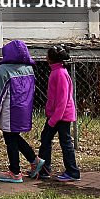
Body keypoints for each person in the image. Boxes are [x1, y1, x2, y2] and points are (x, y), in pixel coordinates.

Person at [0, 39, 43, 183]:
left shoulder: (2, 71)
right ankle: (34, 160)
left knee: (10, 139)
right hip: (24, 109)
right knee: (14, 137)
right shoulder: (29, 69)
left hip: (10, 110)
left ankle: (15, 172)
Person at [36, 44, 80, 182]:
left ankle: (72, 171)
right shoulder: (57, 71)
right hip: (56, 115)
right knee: (46, 139)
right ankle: (44, 169)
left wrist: (54, 119)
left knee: (64, 142)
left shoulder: (60, 73)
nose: (45, 57)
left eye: (47, 55)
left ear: (51, 58)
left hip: (61, 116)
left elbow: (62, 99)